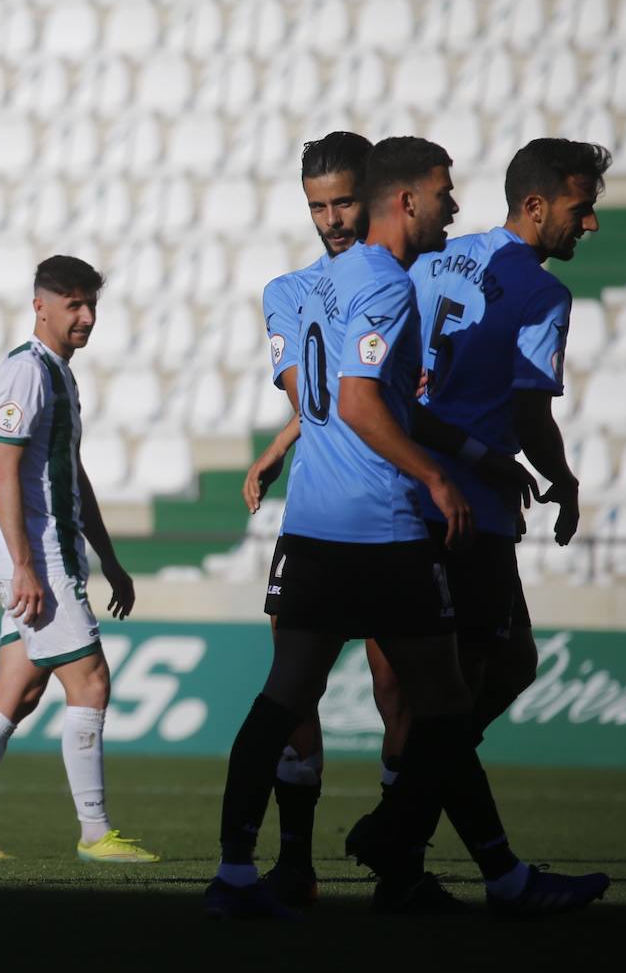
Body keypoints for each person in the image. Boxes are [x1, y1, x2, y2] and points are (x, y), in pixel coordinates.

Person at [208, 137, 609, 919]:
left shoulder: (311, 284)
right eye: (442, 192)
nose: (452, 205)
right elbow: (361, 401)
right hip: (386, 527)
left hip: (313, 526)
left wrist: (466, 453)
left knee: (287, 697)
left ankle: (236, 874)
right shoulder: (391, 284)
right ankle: (476, 870)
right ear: (407, 201)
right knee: (444, 707)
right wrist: (436, 473)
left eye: (338, 202)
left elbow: (351, 396)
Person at [0, 256, 160, 865]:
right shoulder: (26, 374)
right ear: (41, 305)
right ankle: (94, 832)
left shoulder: (58, 375)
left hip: (47, 553)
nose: (85, 317)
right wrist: (27, 566)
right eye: (73, 305)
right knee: (90, 680)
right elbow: (2, 469)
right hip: (40, 557)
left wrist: (109, 557)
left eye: (91, 305)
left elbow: (70, 474)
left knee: (17, 690)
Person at [246, 131, 409, 905]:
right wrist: (283, 442)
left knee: (396, 691)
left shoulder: (392, 279)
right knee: (295, 693)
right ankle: (295, 861)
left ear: (370, 193)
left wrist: (280, 442)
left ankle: (394, 855)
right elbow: (320, 398)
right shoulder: (287, 289)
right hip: (322, 514)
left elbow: (332, 397)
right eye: (318, 205)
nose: (332, 218)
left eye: (344, 200)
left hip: (383, 513)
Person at [408, 138, 610, 732]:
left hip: (407, 487)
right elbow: (528, 414)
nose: (591, 223)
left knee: (438, 682)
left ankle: (411, 804)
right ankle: (405, 816)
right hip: (472, 507)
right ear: (536, 205)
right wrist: (564, 482)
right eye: (581, 209)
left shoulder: (430, 258)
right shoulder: (542, 293)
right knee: (485, 671)